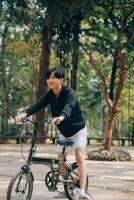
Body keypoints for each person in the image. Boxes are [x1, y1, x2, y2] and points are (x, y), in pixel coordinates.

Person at [15, 68, 89, 200]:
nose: (51, 80)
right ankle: (68, 186)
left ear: (61, 79)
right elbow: (38, 105)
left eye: (54, 77)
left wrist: (61, 116)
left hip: (78, 130)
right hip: (64, 132)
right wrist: (24, 114)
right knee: (60, 163)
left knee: (79, 157)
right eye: (49, 77)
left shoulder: (69, 92)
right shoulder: (50, 94)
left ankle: (82, 191)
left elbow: (70, 105)